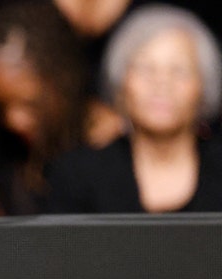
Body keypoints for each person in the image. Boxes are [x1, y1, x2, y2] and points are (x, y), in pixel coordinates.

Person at [47, 5, 222, 213]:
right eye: (146, 68)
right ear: (121, 83)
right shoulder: (77, 175)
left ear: (203, 86)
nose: (162, 83)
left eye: (179, 70)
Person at [0, 1, 92, 215]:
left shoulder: (101, 147)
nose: (13, 120)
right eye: (1, 106)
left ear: (63, 83)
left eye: (30, 104)